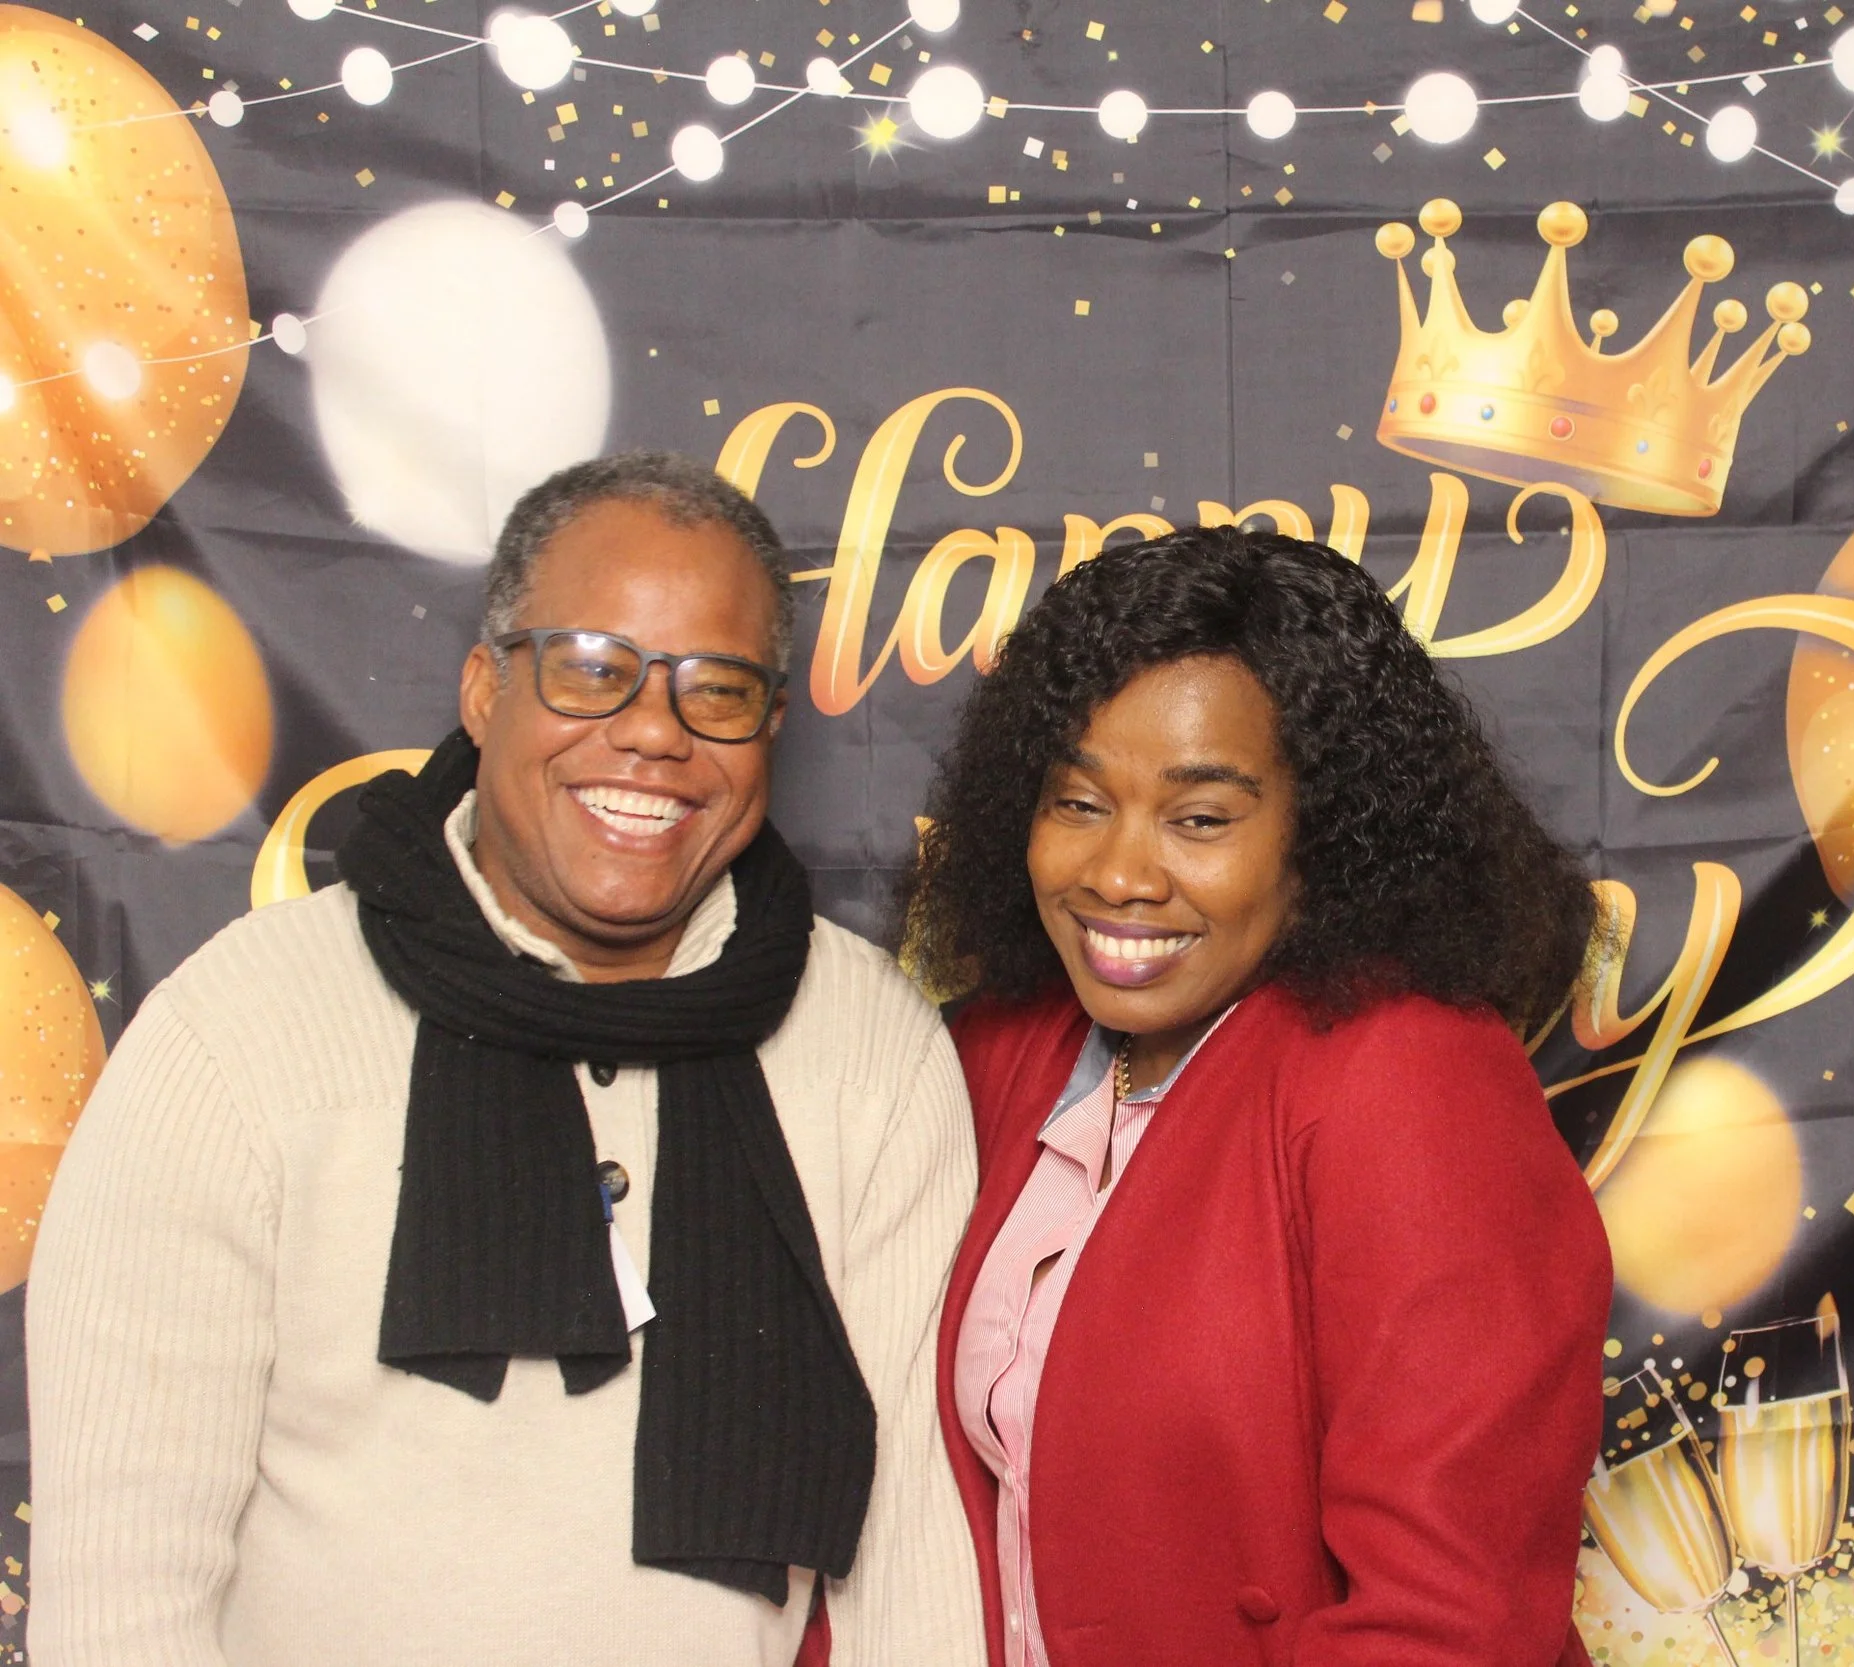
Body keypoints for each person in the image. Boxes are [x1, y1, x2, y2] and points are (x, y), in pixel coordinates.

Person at [28, 452, 985, 1667]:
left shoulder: (874, 1057)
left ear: (770, 726)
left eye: (719, 690)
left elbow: (914, 1571)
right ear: (486, 688)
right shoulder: (239, 1031)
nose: (652, 732)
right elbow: (120, 1595)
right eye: (592, 669)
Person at [901, 526, 1613, 1667]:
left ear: (1320, 834)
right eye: (1079, 802)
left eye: (1199, 818)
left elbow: (1449, 1619)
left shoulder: (1411, 1078)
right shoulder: (998, 1050)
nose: (1119, 874)